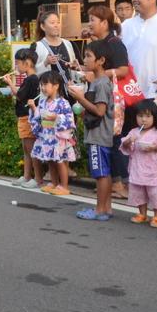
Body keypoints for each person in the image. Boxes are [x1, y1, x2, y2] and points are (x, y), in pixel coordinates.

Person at [87, 5, 134, 199]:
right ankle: (111, 183)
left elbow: (123, 70)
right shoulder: (99, 42)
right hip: (105, 95)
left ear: (104, 23)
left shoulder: (114, 42)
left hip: (115, 99)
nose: (89, 24)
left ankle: (120, 184)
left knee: (115, 141)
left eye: (92, 20)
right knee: (109, 140)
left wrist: (97, 74)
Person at [68, 40, 115, 221]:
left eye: (88, 56)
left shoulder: (101, 83)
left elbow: (100, 111)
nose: (85, 60)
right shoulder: (99, 82)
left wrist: (80, 98)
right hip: (100, 134)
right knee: (104, 173)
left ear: (101, 60)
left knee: (100, 174)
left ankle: (100, 210)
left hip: (98, 136)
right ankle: (106, 208)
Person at [119, 99, 157, 227]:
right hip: (137, 168)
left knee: (155, 192)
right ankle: (142, 213)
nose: (144, 119)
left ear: (155, 117)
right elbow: (124, 145)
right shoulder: (133, 132)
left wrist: (155, 147)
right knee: (138, 192)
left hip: (153, 170)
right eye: (140, 116)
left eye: (148, 116)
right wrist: (128, 141)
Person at [30, 70, 76, 196]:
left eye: (46, 84)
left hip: (58, 137)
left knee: (60, 161)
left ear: (56, 86)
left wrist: (56, 117)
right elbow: (38, 116)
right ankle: (55, 183)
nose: (43, 88)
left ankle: (64, 186)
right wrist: (34, 110)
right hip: (46, 135)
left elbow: (70, 119)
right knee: (51, 160)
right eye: (42, 85)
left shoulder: (63, 102)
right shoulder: (43, 102)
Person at [3, 48, 42, 189]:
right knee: (27, 149)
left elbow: (19, 95)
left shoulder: (32, 79)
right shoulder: (31, 79)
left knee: (31, 149)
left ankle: (37, 178)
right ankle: (27, 176)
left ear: (27, 63)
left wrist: (10, 83)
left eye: (18, 63)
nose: (16, 67)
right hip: (24, 116)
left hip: (28, 117)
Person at [32, 11, 78, 81]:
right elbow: (32, 72)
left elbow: (75, 70)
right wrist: (45, 63)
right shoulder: (37, 46)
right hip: (49, 89)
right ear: (43, 26)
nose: (56, 25)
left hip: (68, 88)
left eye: (58, 22)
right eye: (52, 23)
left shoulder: (67, 43)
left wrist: (75, 67)